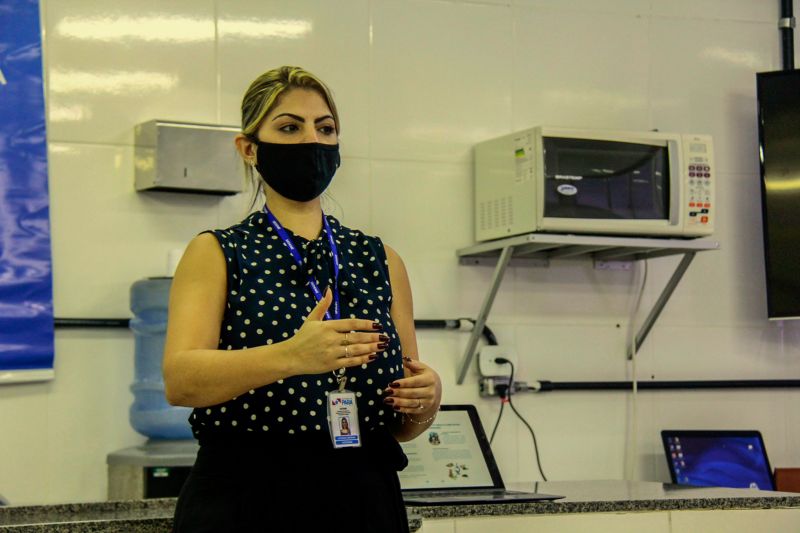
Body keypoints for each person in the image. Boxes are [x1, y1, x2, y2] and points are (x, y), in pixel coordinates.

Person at [163, 66, 442, 533]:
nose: (312, 140)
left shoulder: (381, 259)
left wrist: (427, 398)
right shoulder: (217, 251)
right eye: (290, 127)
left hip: (363, 495)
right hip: (247, 496)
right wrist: (291, 357)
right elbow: (181, 380)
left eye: (325, 128)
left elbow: (401, 417)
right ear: (250, 149)